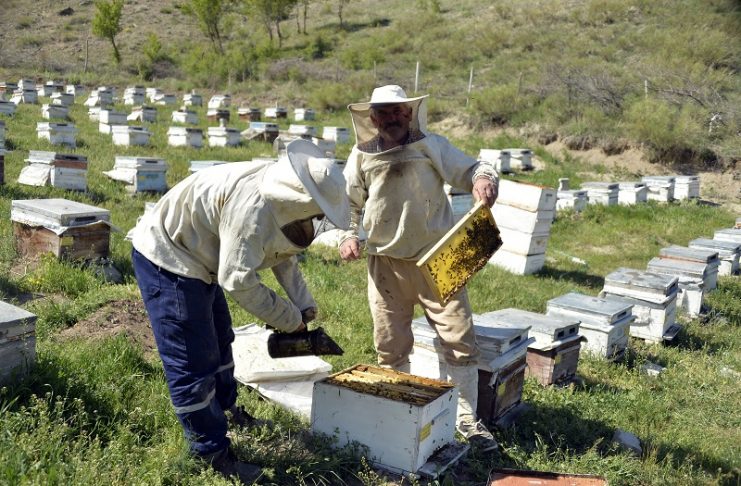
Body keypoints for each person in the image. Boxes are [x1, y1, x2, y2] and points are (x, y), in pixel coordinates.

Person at [130, 139, 350, 483]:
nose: (318, 217)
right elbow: (239, 280)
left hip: (204, 258)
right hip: (170, 256)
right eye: (318, 209)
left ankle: (228, 410)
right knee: (193, 360)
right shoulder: (253, 208)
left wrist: (304, 304)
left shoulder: (282, 198)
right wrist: (289, 320)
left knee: (220, 337)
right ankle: (210, 452)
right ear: (302, 195)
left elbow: (283, 256)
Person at [339, 85, 500, 452]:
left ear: (408, 114)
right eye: (383, 113)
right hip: (385, 263)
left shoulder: (433, 145)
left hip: (440, 258)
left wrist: (483, 181)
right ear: (372, 118)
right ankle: (399, 411)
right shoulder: (361, 155)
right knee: (390, 346)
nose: (391, 118)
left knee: (459, 341)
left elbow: (475, 168)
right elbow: (347, 202)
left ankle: (465, 419)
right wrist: (347, 235)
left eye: (397, 111)